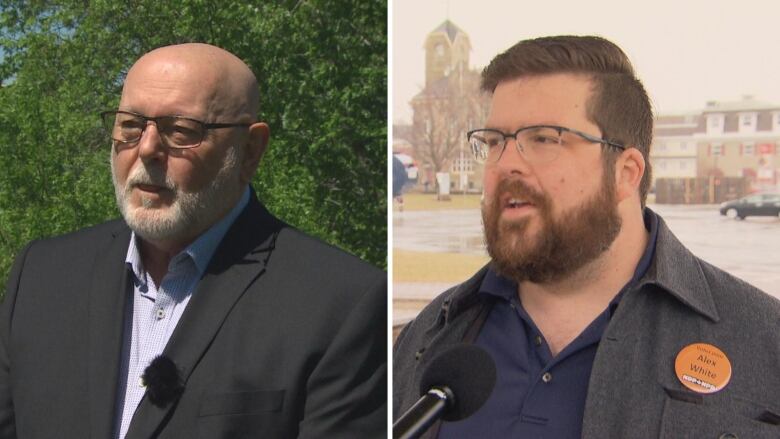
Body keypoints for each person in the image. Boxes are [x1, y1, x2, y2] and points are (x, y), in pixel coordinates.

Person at [393, 35, 780, 438]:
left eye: (543, 139)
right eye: (494, 142)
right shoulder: (432, 333)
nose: (505, 165)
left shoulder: (762, 342)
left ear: (626, 173)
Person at [0, 43, 386, 439]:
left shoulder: (339, 305)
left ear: (250, 151)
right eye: (130, 126)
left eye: (180, 131)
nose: (147, 149)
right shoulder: (41, 276)